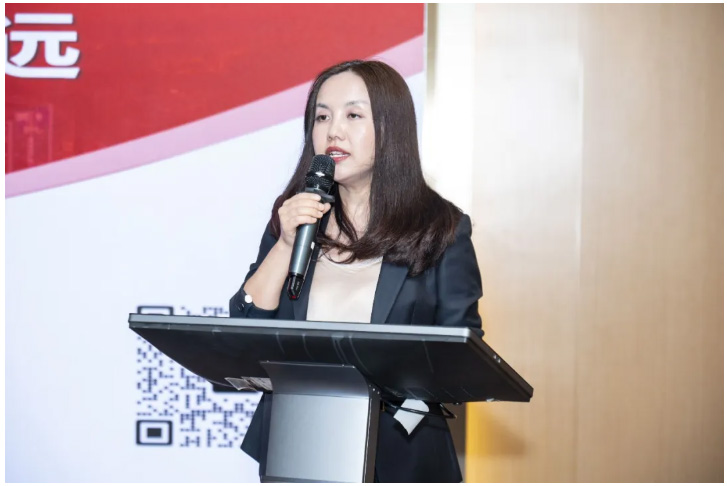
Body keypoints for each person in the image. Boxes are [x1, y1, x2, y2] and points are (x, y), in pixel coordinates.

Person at [230, 59, 483, 483]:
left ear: (390, 127)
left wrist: (401, 412)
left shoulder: (441, 229)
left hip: (403, 453)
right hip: (298, 445)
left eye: (353, 115)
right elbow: (245, 330)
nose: (333, 131)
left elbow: (462, 350)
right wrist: (286, 244)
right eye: (322, 117)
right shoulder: (295, 217)